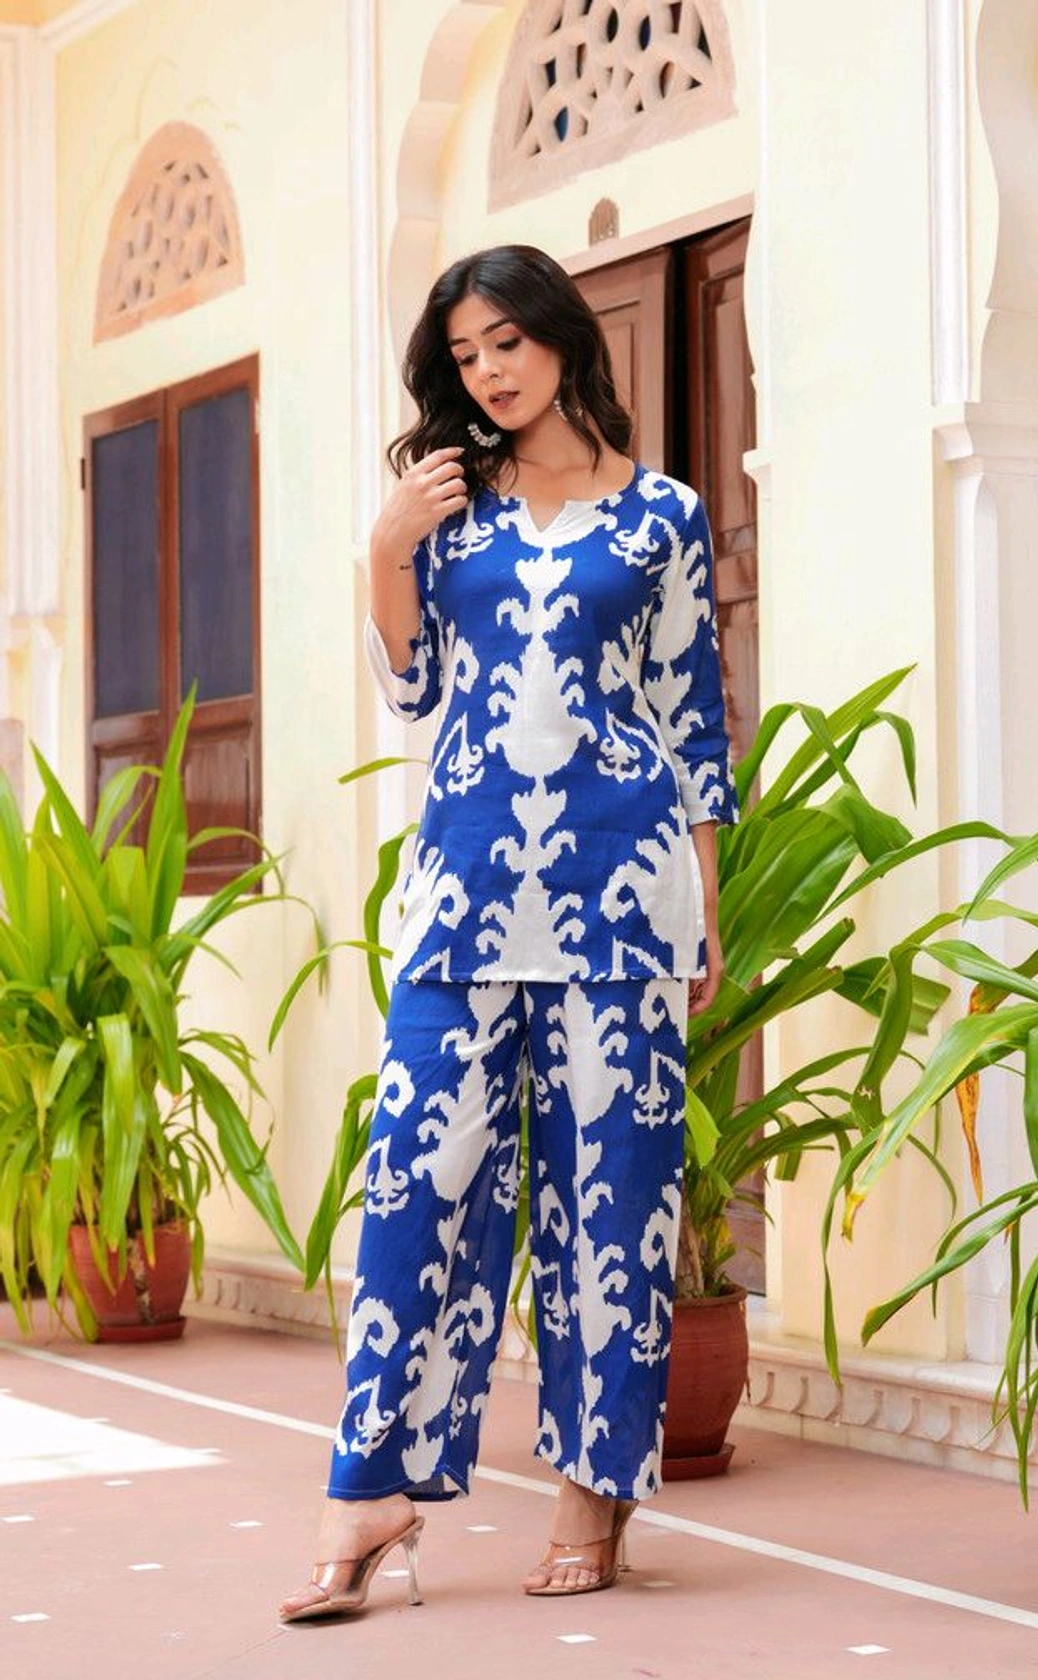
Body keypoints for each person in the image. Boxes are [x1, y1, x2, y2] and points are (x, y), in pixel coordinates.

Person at [279, 244, 737, 1621]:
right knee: (413, 1183)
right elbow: (417, 688)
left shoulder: (664, 515)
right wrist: (386, 546)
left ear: (560, 336)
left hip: (623, 894)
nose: (486, 371)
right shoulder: (448, 510)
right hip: (466, 890)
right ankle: (369, 1493)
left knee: (614, 1203)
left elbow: (692, 720)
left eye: (505, 343)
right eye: (464, 354)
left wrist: (704, 905)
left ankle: (594, 1492)